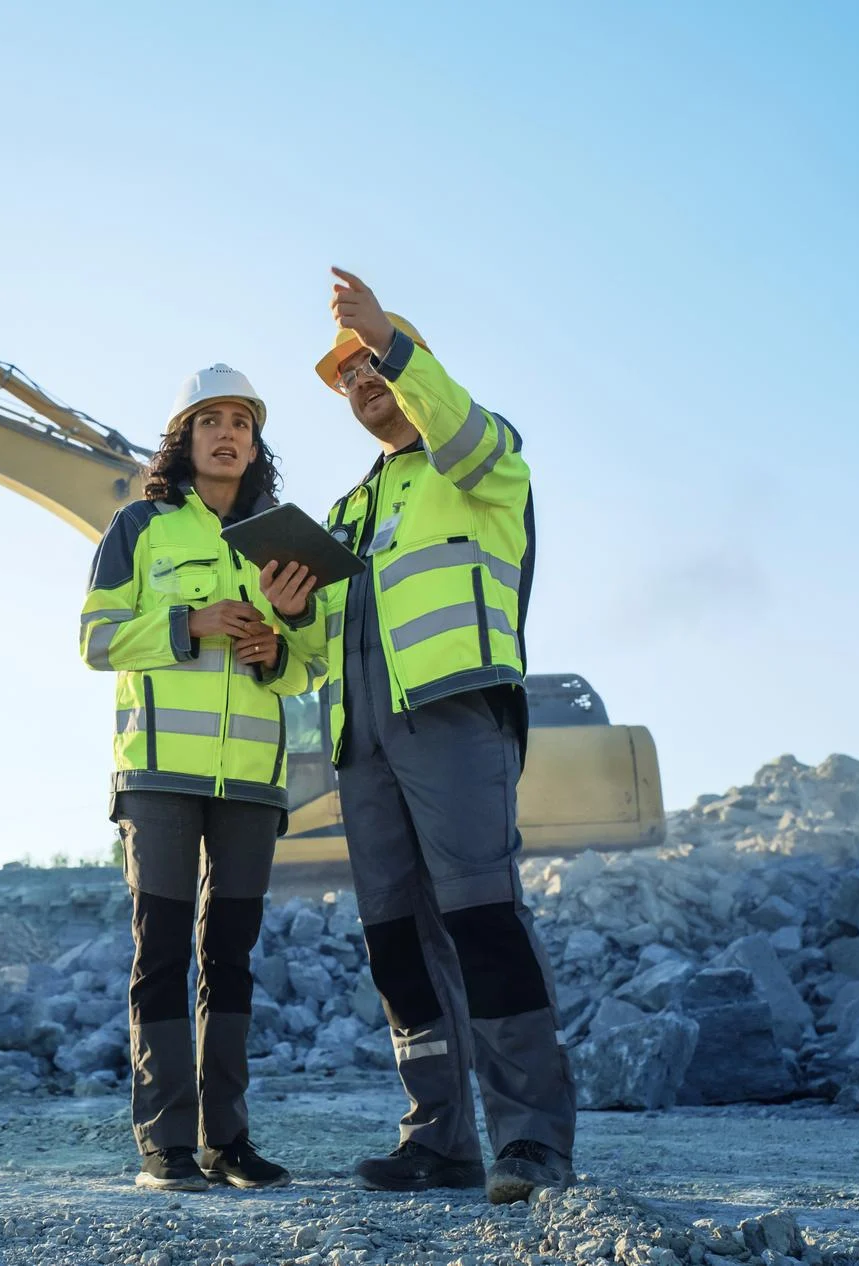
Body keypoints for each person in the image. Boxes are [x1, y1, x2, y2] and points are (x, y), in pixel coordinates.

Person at [287, 268, 576, 1203]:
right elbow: (313, 651)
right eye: (352, 376)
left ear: (416, 369)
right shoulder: (344, 515)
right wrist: (286, 615)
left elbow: (459, 426)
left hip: (454, 717)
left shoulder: (485, 462)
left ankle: (531, 1140)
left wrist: (395, 342)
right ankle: (438, 1138)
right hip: (362, 745)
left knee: (483, 920)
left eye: (376, 363)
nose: (364, 380)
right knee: (397, 948)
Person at [78, 364, 319, 1192]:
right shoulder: (139, 529)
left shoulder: (285, 539)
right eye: (211, 420)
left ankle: (229, 1143)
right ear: (184, 440)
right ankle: (166, 1146)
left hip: (253, 781)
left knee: (233, 958)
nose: (228, 434)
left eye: (242, 423)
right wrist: (191, 623)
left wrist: (275, 648)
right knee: (162, 954)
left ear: (256, 444)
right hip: (160, 776)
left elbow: (309, 670)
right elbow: (96, 641)